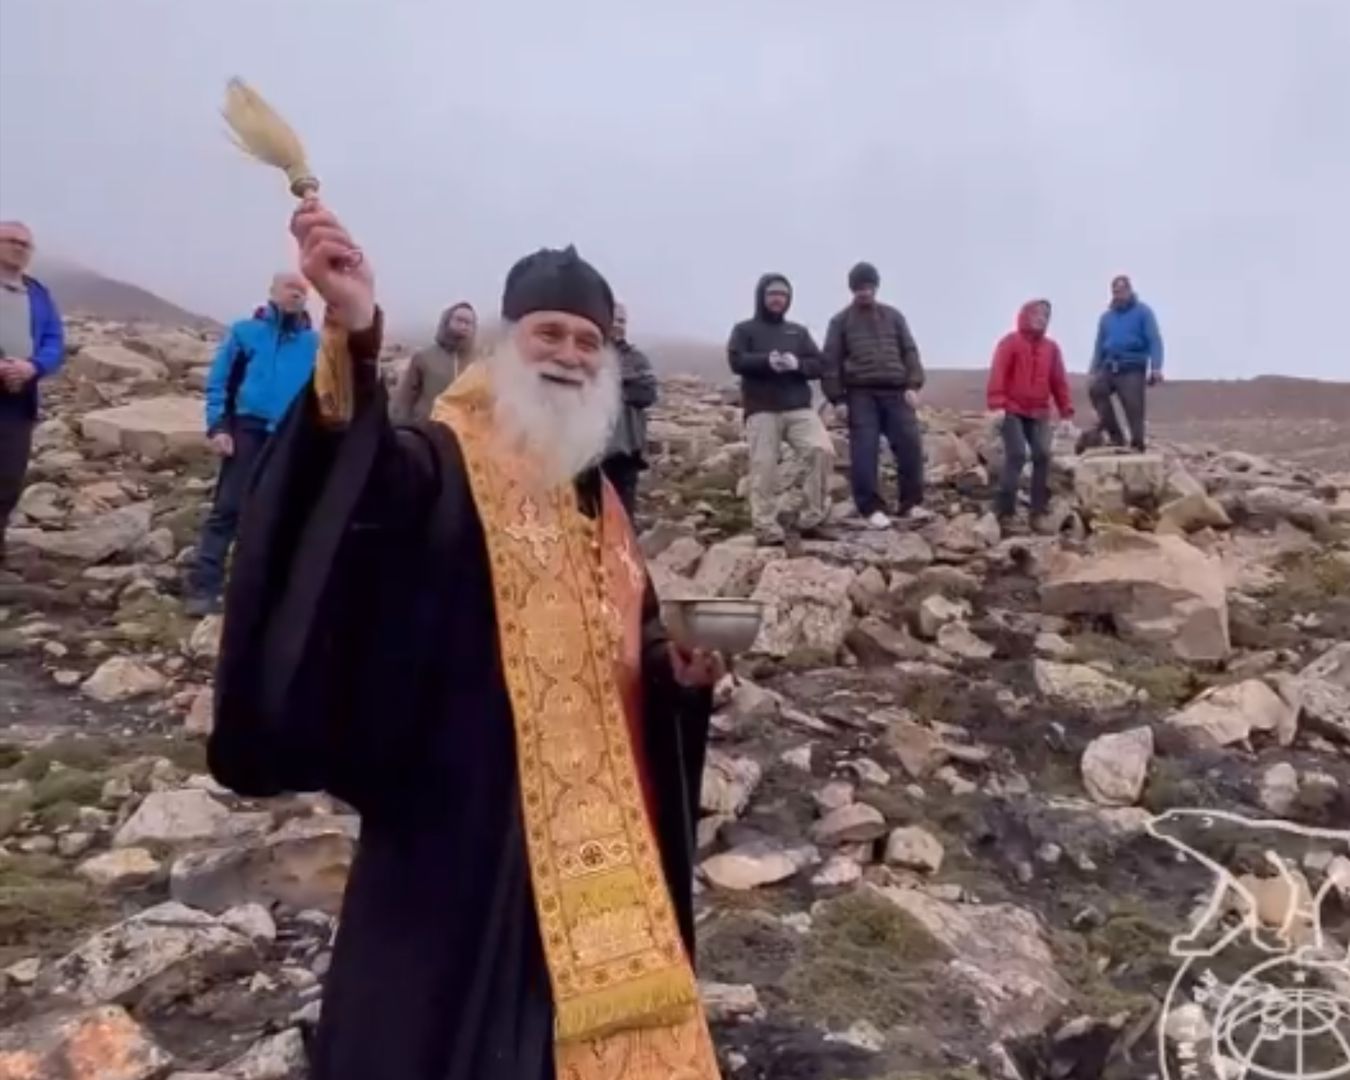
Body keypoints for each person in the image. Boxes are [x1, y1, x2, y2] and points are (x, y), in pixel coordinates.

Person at [209, 197, 725, 1080]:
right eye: (549, 334)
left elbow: (626, 638)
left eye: (586, 341)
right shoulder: (441, 460)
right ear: (507, 340)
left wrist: (672, 674)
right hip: (463, 812)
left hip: (597, 838)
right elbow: (353, 493)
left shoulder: (596, 499)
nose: (568, 354)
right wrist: (356, 328)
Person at [185, 273, 318, 615]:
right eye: (291, 288)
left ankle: (271, 592)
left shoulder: (314, 343)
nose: (297, 294)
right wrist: (218, 426)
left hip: (291, 434)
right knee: (228, 507)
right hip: (247, 428)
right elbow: (220, 382)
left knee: (283, 513)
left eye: (303, 291)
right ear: (272, 293)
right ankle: (205, 586)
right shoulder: (246, 333)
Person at [727, 273, 836, 545]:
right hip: (762, 408)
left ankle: (812, 517)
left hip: (798, 406)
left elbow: (820, 364)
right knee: (764, 466)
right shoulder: (745, 330)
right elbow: (736, 360)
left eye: (783, 295)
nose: (778, 299)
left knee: (820, 450)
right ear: (762, 297)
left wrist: (797, 364)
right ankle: (765, 527)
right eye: (773, 294)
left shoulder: (798, 332)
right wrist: (767, 362)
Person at [822, 261, 926, 528]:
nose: (864, 292)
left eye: (867, 286)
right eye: (858, 288)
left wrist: (913, 385)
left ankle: (911, 504)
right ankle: (870, 507)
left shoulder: (894, 316)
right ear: (851, 289)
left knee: (910, 444)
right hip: (860, 393)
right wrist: (838, 399)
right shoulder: (840, 321)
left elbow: (909, 351)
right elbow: (830, 362)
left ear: (876, 286)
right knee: (865, 449)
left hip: (896, 390)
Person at [0, 221, 64, 565]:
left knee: (8, 479)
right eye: (11, 241)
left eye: (26, 244)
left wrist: (32, 367)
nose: (19, 248)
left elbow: (54, 341)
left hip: (18, 400)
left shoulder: (38, 293)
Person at [987, 299, 1074, 528]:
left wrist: (1066, 414)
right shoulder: (1010, 342)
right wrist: (997, 405)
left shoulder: (1051, 349)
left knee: (1042, 455)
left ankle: (1038, 510)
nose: (1041, 318)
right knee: (1016, 454)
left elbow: (1059, 382)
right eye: (1037, 314)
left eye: (1046, 316)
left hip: (1039, 411)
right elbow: (999, 373)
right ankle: (1005, 510)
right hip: (1012, 409)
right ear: (1026, 315)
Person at [1087, 274, 1164, 451]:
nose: (1118, 294)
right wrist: (1093, 370)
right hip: (1110, 365)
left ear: (1129, 290)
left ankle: (1137, 444)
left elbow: (1154, 339)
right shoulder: (1106, 318)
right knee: (1096, 390)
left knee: (1133, 407)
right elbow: (1099, 345)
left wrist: (1156, 367)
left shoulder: (1143, 312)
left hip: (1132, 366)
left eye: (1121, 290)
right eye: (1115, 291)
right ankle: (1116, 438)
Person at [600, 301, 657, 518]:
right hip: (589, 450)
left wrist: (610, 387)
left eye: (622, 321)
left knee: (623, 514)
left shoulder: (637, 359)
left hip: (626, 449)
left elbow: (647, 395)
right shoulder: (588, 354)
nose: (618, 325)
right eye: (614, 319)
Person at [389, 301, 477, 423]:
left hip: (465, 434)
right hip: (427, 430)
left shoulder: (478, 362)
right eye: (459, 320)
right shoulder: (424, 357)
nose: (464, 325)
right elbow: (405, 399)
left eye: (468, 323)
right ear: (447, 321)